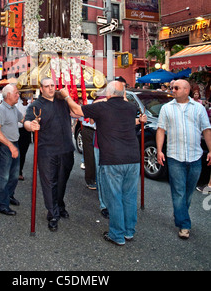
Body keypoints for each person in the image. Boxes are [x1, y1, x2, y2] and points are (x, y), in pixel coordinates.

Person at [60, 81, 147, 245]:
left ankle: (117, 234)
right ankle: (129, 231)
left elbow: (78, 110)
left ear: (109, 93)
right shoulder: (131, 108)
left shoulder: (102, 107)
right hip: (133, 158)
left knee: (114, 197)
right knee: (129, 197)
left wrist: (66, 96)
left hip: (113, 159)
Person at [157, 79, 211, 239]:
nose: (172, 90)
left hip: (195, 156)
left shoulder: (199, 108)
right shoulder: (166, 108)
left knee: (188, 192)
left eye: (176, 88)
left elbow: (206, 129)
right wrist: (159, 150)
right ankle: (184, 225)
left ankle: (180, 214)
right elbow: (161, 130)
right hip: (175, 157)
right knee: (179, 192)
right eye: (172, 87)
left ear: (187, 90)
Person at [24, 77, 75, 232]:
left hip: (66, 149)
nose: (51, 88)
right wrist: (31, 126)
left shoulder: (63, 101)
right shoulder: (35, 105)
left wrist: (68, 96)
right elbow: (26, 122)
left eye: (53, 85)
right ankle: (53, 214)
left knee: (62, 182)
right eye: (47, 86)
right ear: (41, 88)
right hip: (47, 152)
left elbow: (76, 113)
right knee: (49, 183)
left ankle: (59, 205)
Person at [0, 84, 39, 215]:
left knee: (13, 175)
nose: (18, 95)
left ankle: (9, 195)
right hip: (4, 146)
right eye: (16, 93)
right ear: (8, 95)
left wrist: (32, 122)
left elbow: (23, 119)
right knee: (3, 176)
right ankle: (2, 204)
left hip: (14, 144)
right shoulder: (0, 110)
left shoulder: (12, 108)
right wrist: (11, 146)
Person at [16, 90, 33, 180]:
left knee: (23, 152)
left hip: (26, 131)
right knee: (15, 151)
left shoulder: (31, 104)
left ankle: (19, 171)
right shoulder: (16, 103)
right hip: (16, 130)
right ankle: (13, 170)